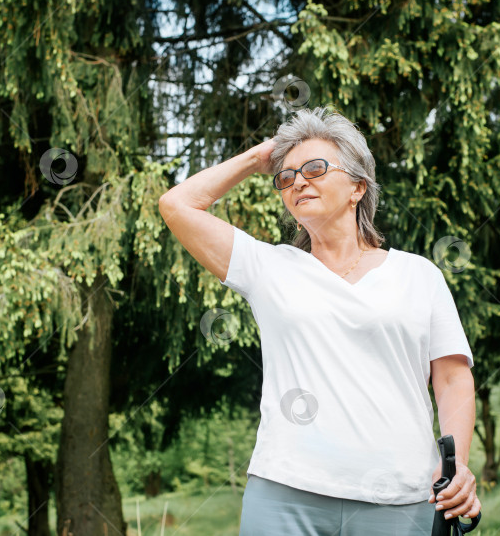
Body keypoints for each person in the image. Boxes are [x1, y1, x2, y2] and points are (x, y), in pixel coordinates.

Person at [158, 106, 481, 535]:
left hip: (402, 497)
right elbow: (177, 204)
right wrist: (259, 158)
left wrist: (457, 465)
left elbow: (453, 380)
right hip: (286, 493)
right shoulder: (269, 267)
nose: (298, 181)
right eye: (286, 177)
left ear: (357, 187)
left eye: (314, 168)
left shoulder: (419, 275)